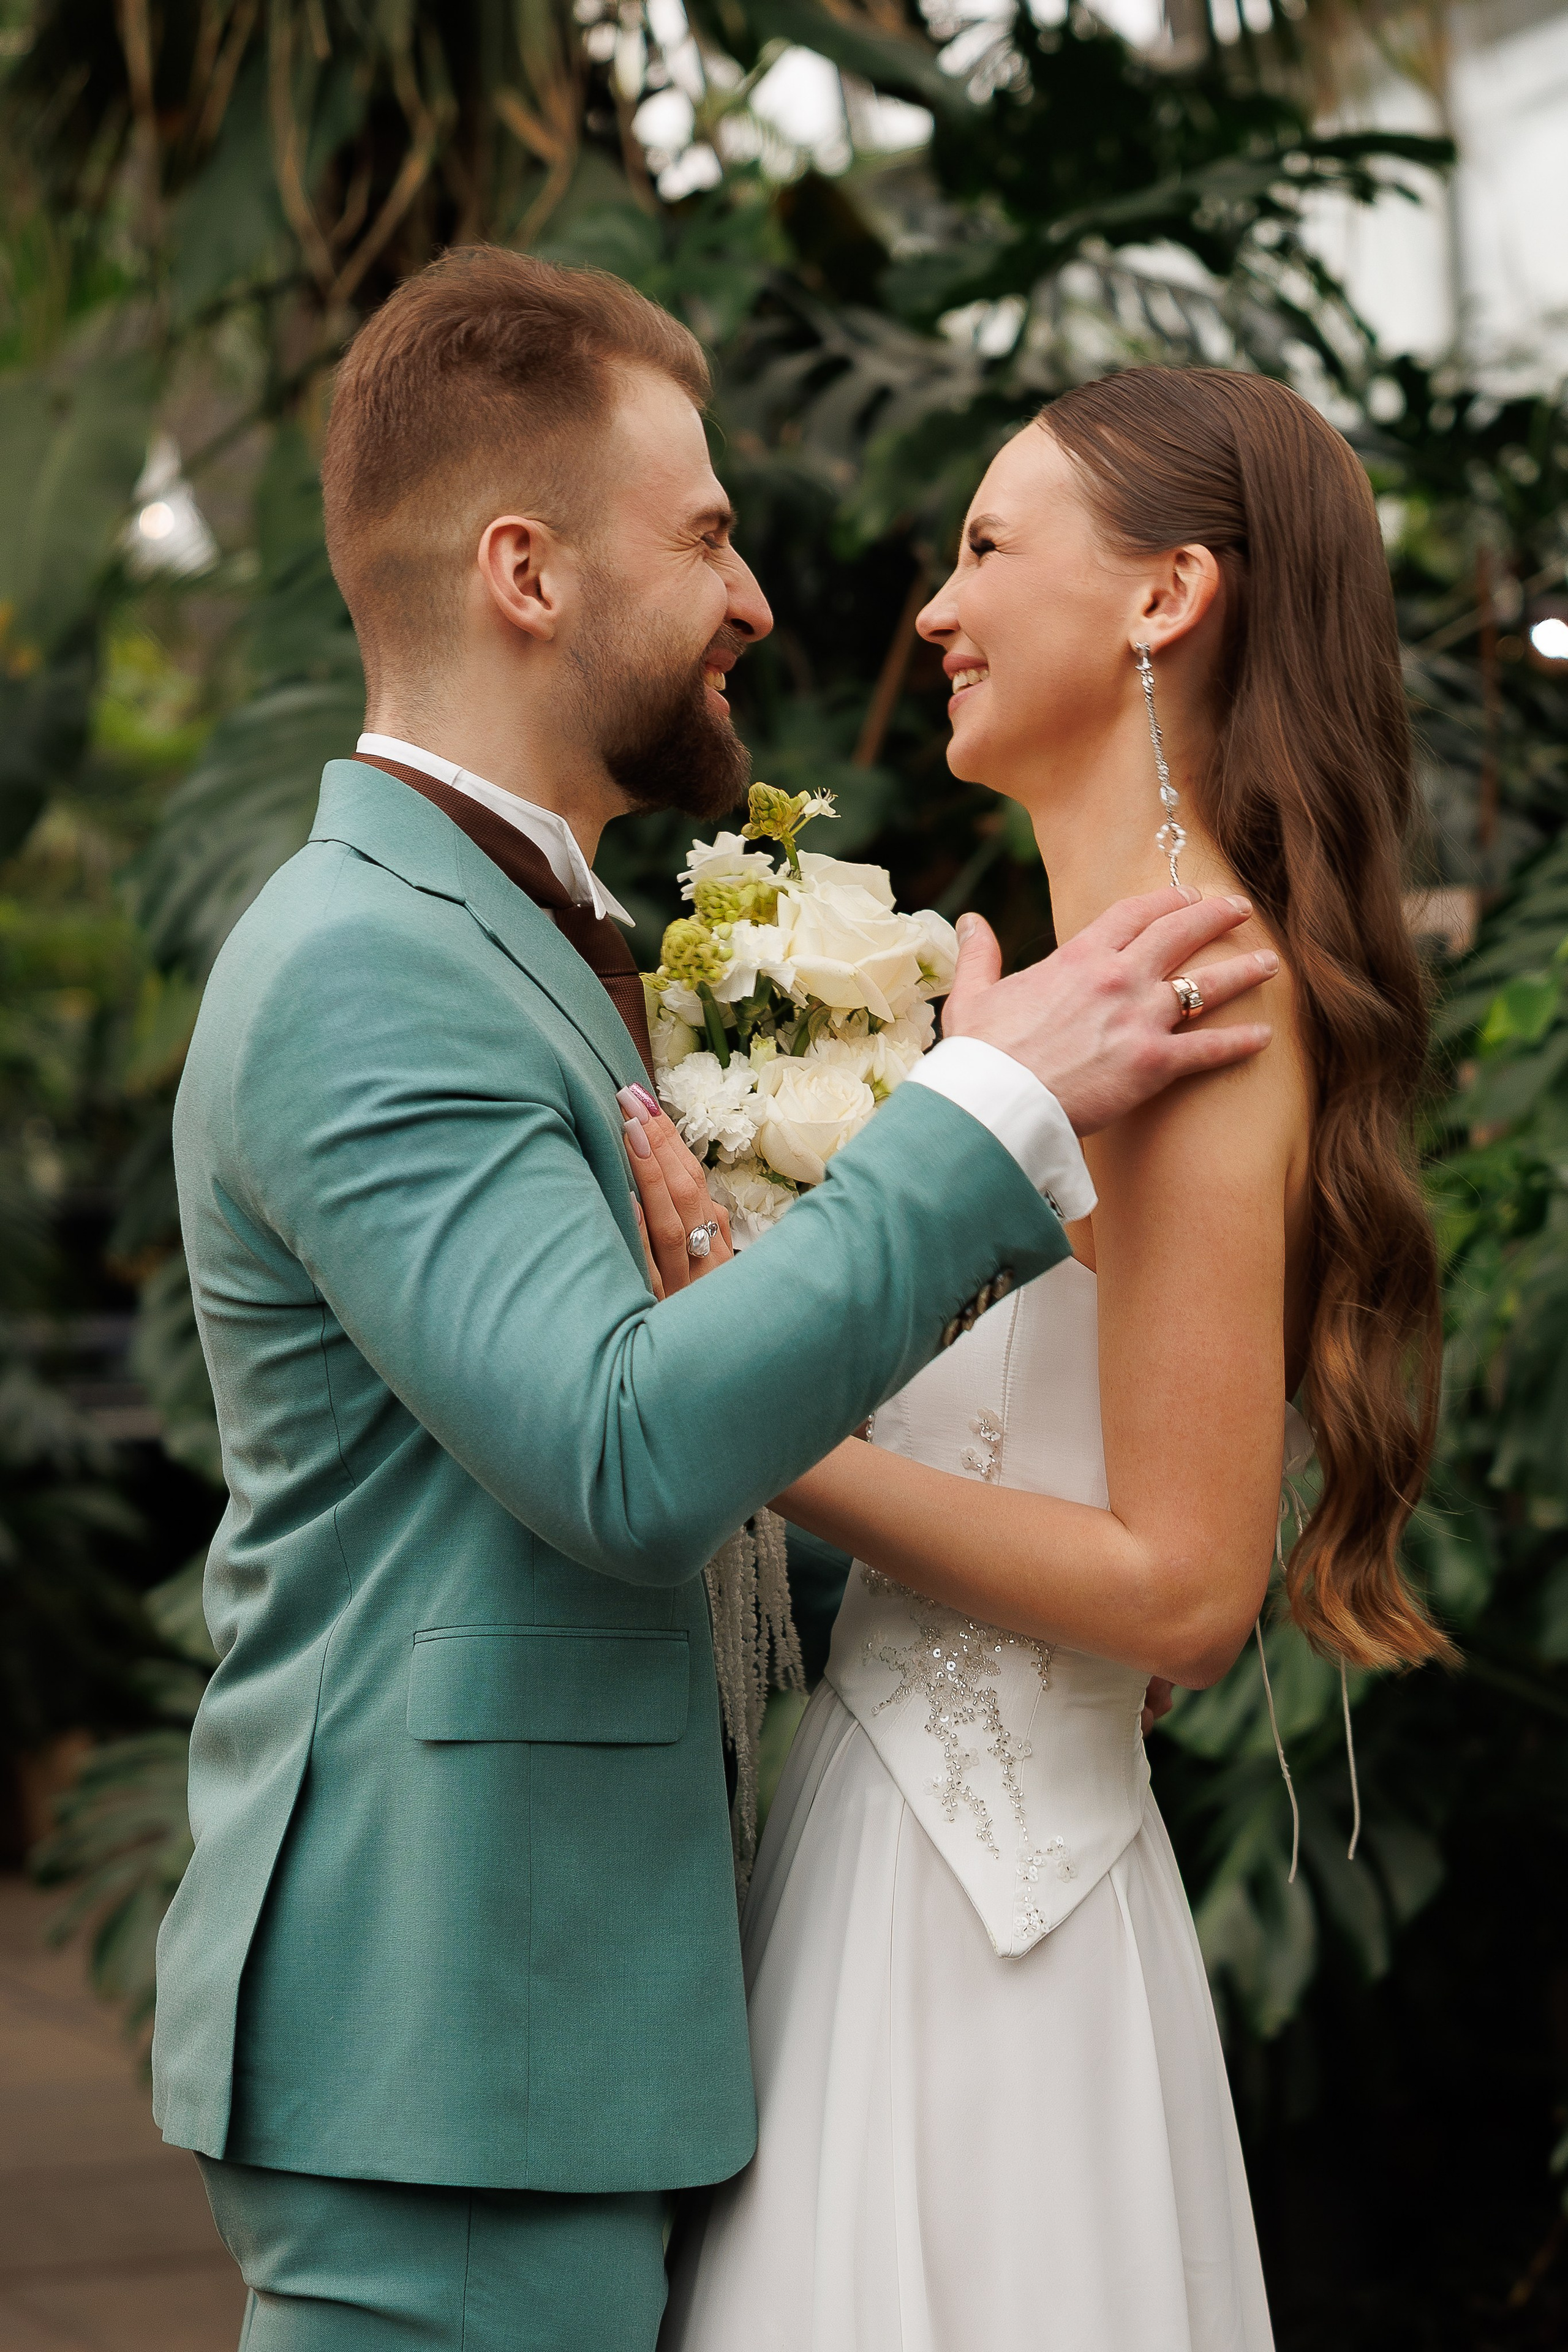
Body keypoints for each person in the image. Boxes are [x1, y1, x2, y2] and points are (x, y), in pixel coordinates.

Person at [149, 255, 1276, 2351]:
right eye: (703, 538)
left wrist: (1015, 1604)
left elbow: (700, 1469)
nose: (758, 599)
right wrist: (993, 1111)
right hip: (457, 2054)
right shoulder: (362, 963)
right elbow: (621, 1449)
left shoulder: (530, 941)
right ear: (526, 574)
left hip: (624, 2023)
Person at [659, 366, 1451, 2352]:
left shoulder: (1197, 1001)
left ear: (1166, 596)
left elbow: (1183, 1593)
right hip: (895, 1856)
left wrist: (736, 1402)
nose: (936, 606)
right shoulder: (1084, 991)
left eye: (989, 547)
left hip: (980, 1928)